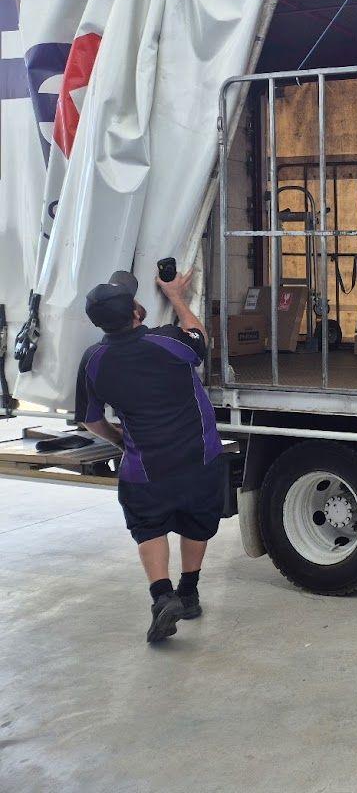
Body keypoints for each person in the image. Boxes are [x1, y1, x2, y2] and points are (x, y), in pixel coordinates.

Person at [75, 268, 224, 643]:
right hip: (198, 456)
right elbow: (200, 339)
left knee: (148, 527)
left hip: (145, 469)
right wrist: (176, 296)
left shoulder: (94, 360)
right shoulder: (168, 341)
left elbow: (91, 420)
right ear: (137, 312)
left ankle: (162, 596)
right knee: (196, 523)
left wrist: (120, 441)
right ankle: (188, 593)